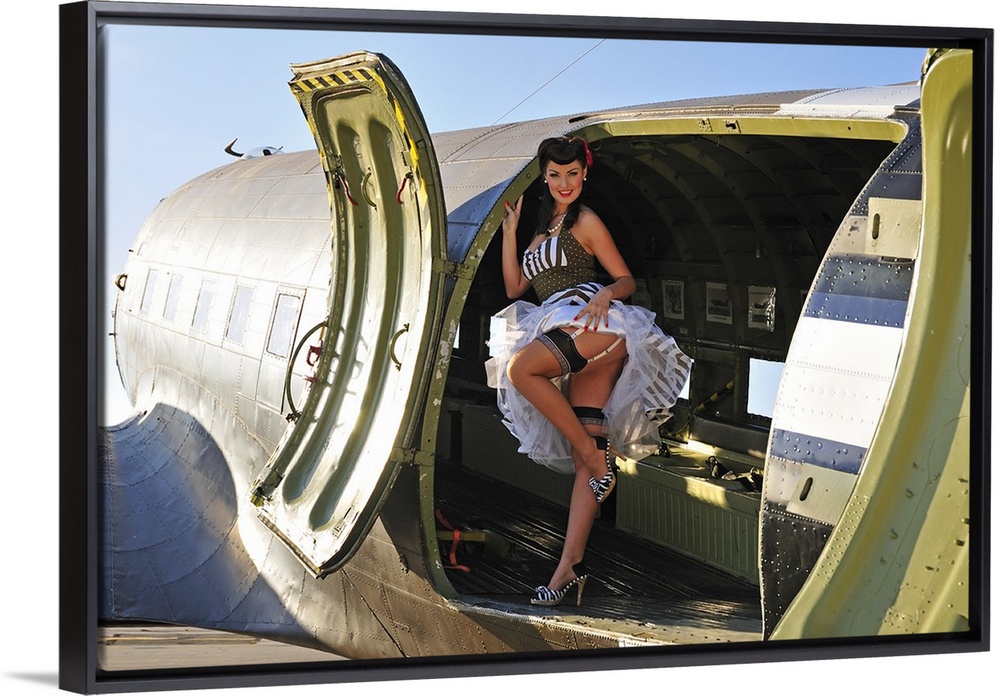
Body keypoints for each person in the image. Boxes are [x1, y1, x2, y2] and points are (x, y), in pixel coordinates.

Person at [485, 136, 692, 607]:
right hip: (555, 319)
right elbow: (517, 286)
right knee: (586, 454)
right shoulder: (540, 233)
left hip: (595, 321)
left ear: (584, 174)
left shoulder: (586, 220)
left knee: (521, 371)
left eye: (573, 174)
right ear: (544, 177)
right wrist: (511, 233)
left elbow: (625, 279)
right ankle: (568, 572)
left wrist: (606, 294)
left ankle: (598, 463)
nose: (564, 183)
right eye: (555, 175)